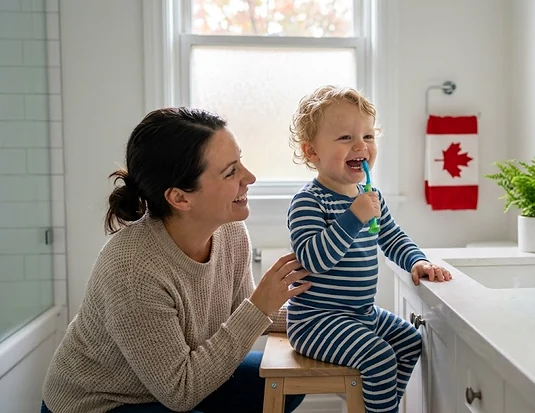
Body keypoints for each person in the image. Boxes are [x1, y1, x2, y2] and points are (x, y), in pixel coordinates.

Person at [40, 107, 311, 413]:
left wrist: (337, 318)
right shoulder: (132, 270)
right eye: (230, 171)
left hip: (174, 381)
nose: (249, 177)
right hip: (104, 403)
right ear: (181, 198)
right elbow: (181, 391)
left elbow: (243, 311)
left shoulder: (231, 231)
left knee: (286, 385)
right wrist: (261, 305)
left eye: (241, 162)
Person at [285, 85, 453, 413]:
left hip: (361, 315)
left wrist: (417, 261)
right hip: (316, 322)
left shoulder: (369, 194)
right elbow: (314, 261)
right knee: (378, 356)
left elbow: (392, 238)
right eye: (345, 138)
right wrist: (353, 217)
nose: (361, 145)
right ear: (311, 152)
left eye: (368, 136)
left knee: (409, 341)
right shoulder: (308, 201)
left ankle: (375, 405)